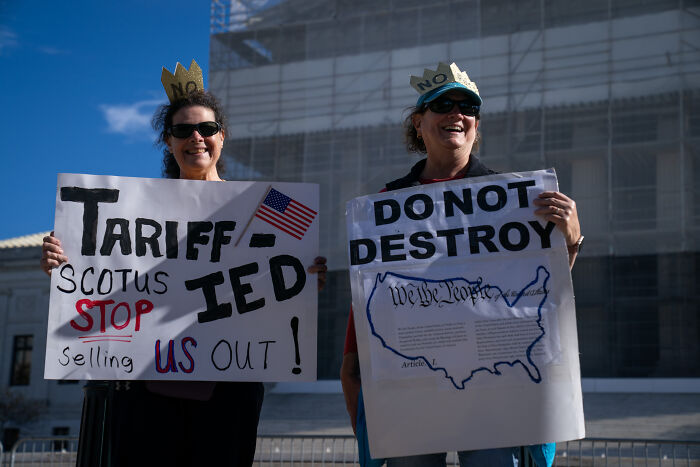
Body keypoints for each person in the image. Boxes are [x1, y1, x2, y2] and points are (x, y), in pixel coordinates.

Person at [41, 62, 327, 467]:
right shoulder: (132, 209)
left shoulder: (266, 202)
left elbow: (292, 255)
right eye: (182, 130)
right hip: (145, 388)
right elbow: (98, 276)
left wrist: (304, 277)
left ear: (221, 138)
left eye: (207, 129)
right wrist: (63, 265)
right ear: (169, 141)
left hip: (230, 388)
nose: (196, 137)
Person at [340, 62, 583, 467]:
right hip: (410, 389)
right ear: (419, 123)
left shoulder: (517, 199)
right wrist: (355, 384)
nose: (457, 113)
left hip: (496, 392)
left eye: (467, 107)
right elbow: (369, 303)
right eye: (442, 104)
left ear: (475, 125)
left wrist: (571, 239)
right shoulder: (384, 203)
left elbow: (537, 292)